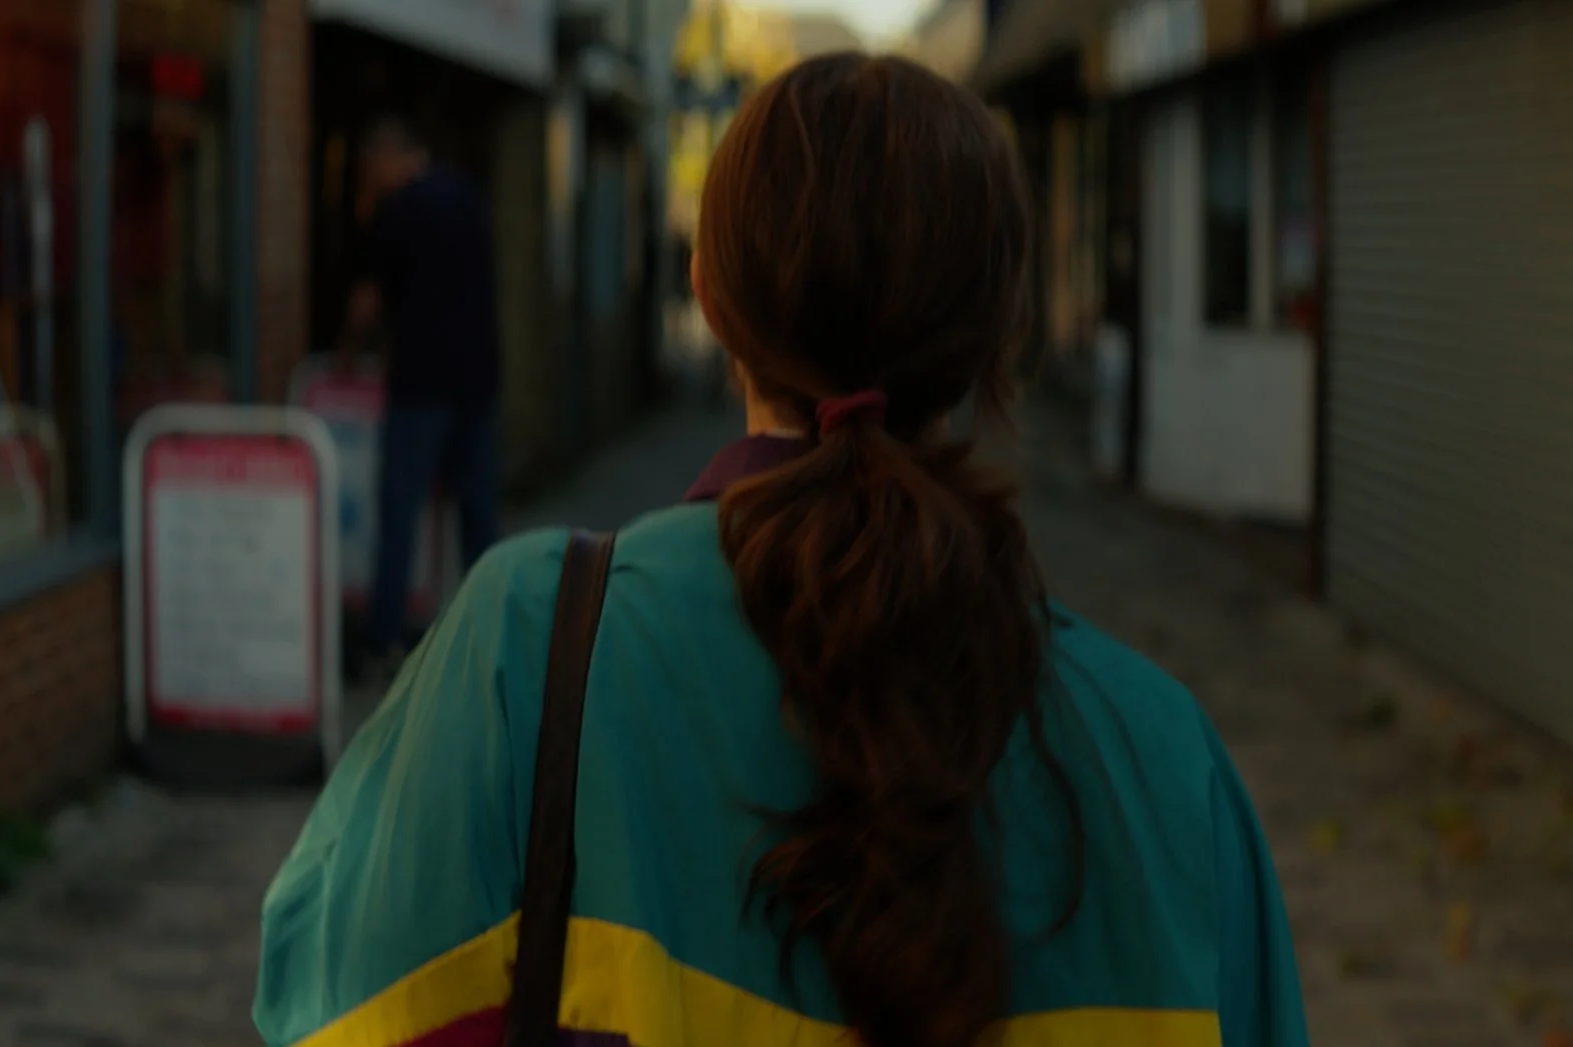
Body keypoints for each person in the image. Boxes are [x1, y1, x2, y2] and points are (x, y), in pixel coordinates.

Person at [255, 55, 1309, 1047]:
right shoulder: (1171, 764)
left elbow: (327, 1005)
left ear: (711, 299)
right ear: (995, 336)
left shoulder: (531, 651)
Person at [339, 115, 503, 680]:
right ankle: (489, 638)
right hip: (478, 381)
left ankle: (383, 638)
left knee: (399, 516)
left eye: (369, 169)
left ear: (389, 158)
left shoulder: (396, 212)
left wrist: (345, 354)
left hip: (420, 388)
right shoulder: (465, 197)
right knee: (478, 516)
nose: (369, 179)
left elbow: (367, 303)